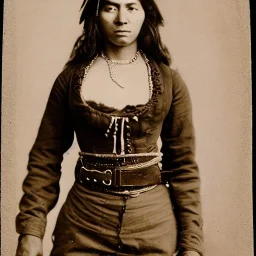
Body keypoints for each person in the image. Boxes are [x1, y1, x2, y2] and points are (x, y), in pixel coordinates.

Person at [15, 0, 204, 255]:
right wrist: (31, 231)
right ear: (97, 13)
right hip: (83, 224)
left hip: (152, 227)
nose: (121, 19)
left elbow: (183, 166)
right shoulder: (70, 80)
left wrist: (192, 244)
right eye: (111, 7)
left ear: (145, 13)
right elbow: (44, 157)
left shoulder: (170, 82)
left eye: (131, 7)